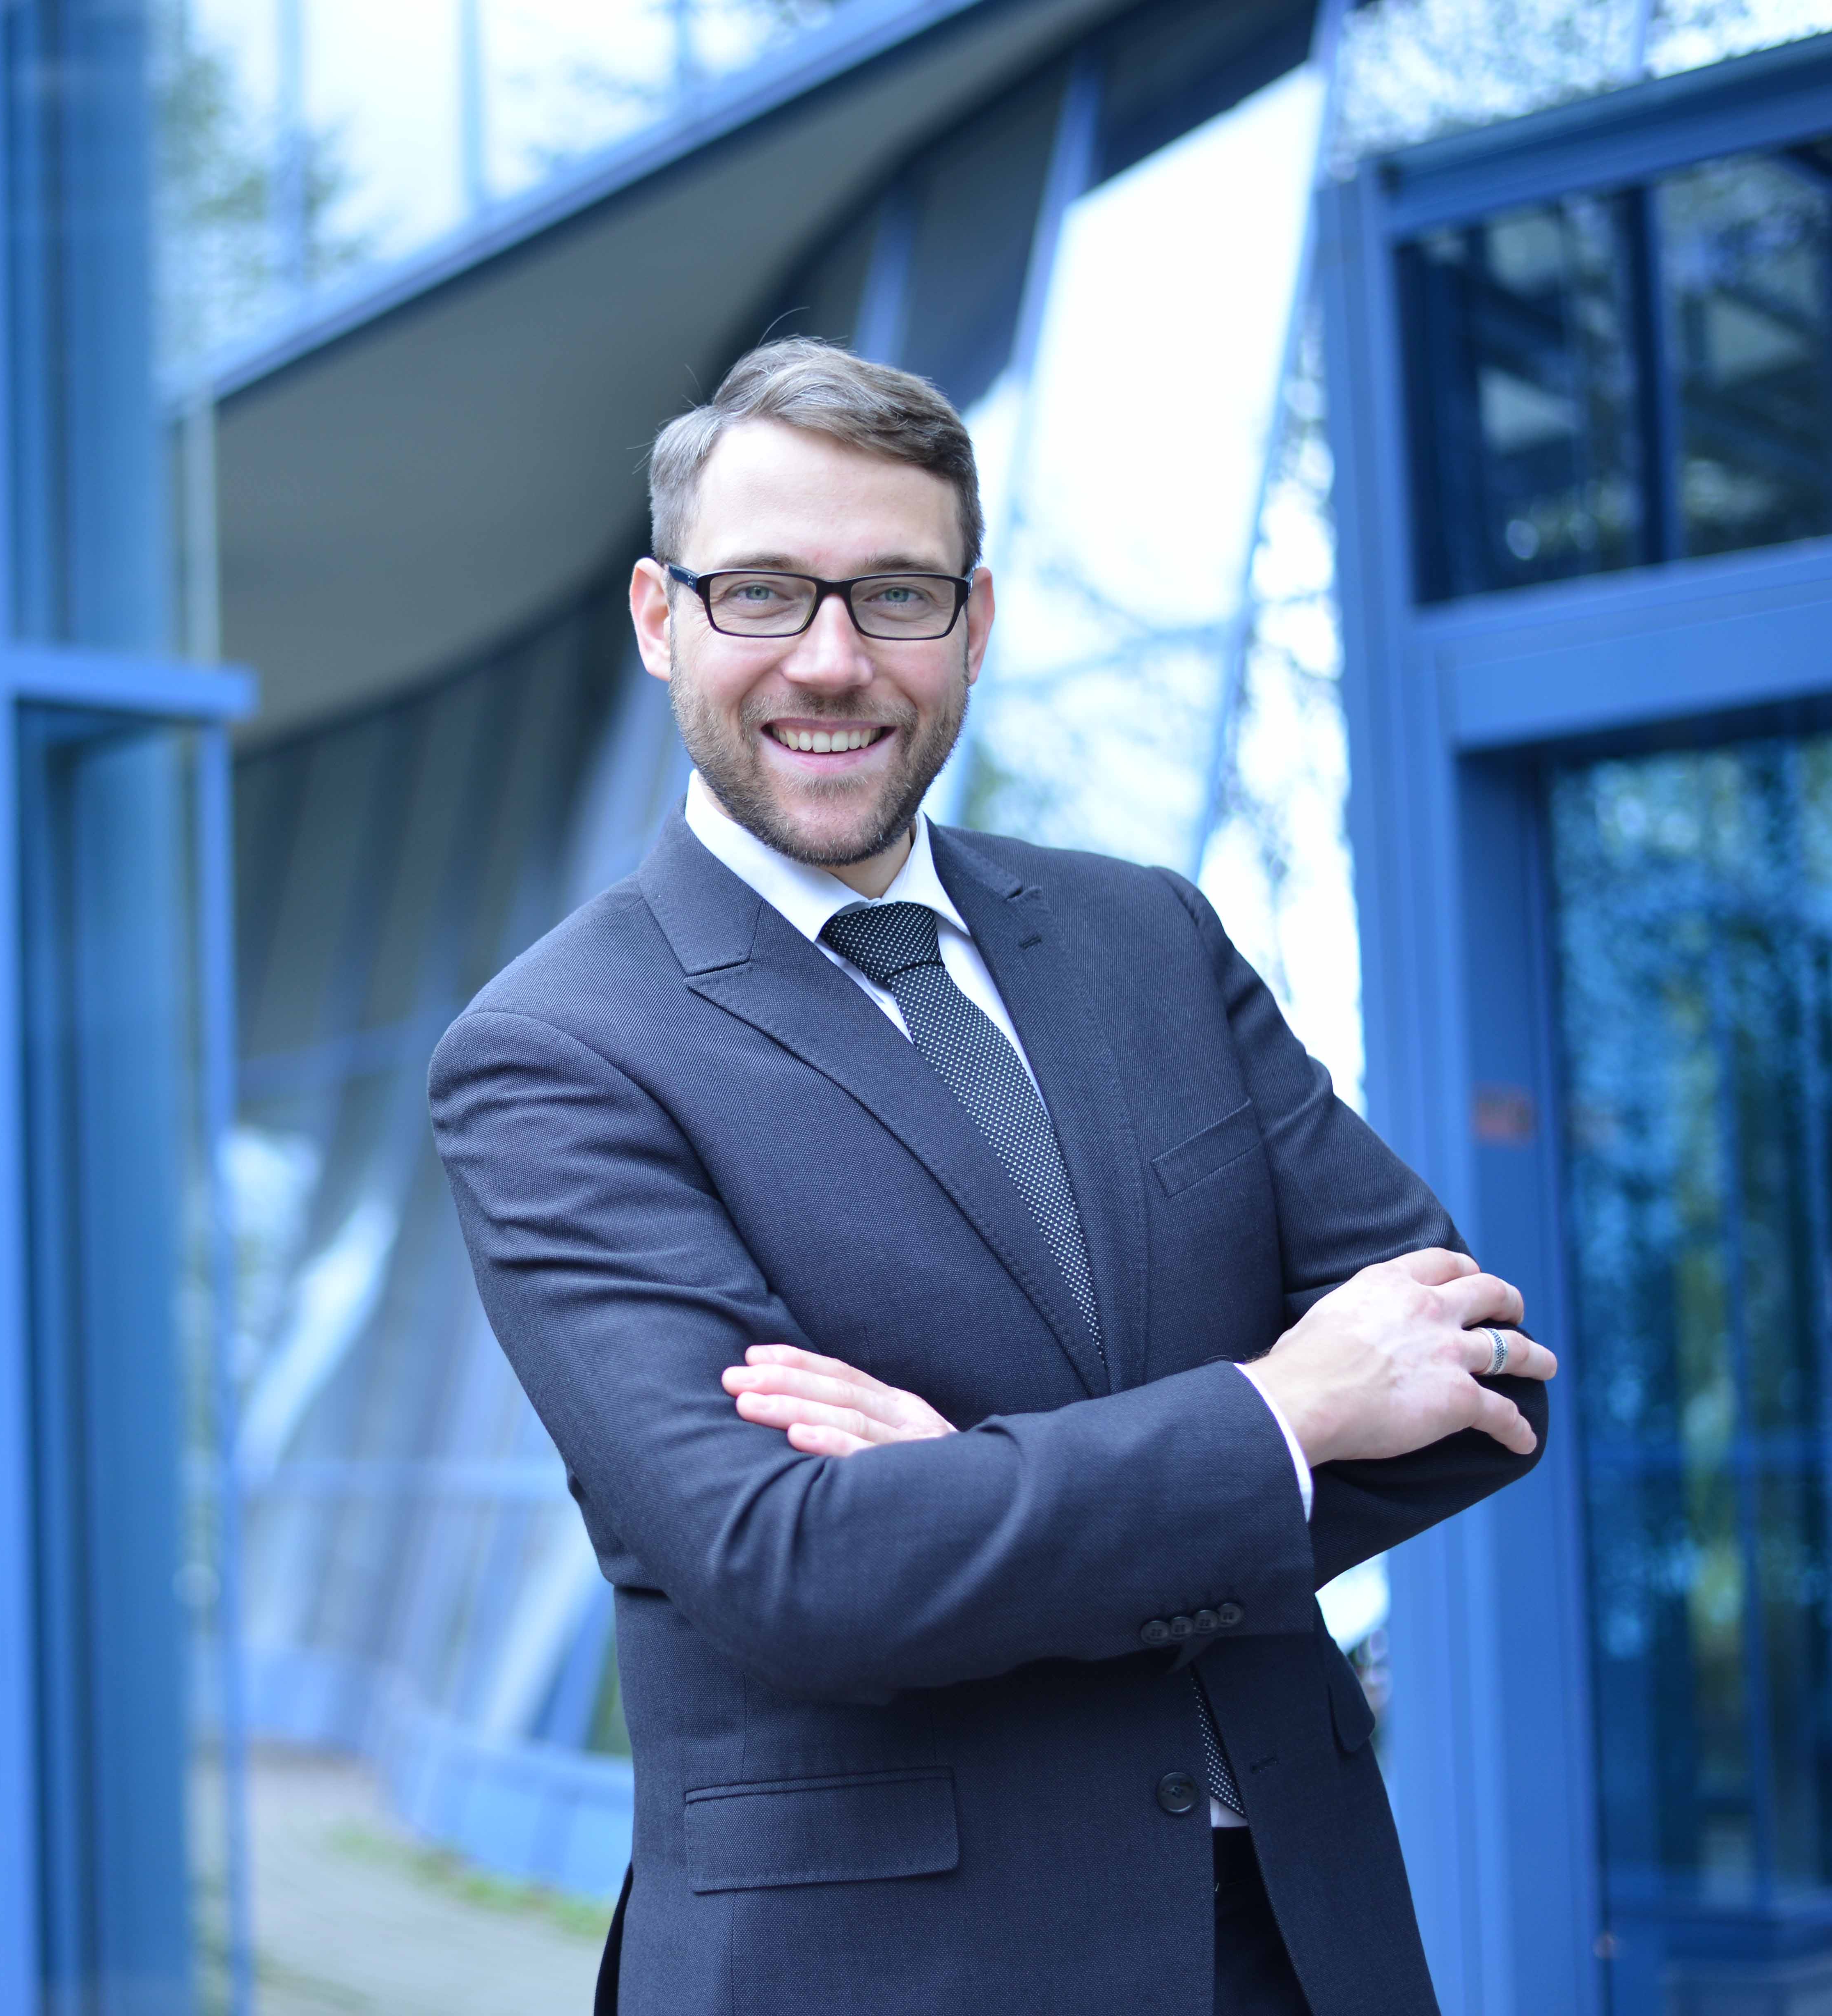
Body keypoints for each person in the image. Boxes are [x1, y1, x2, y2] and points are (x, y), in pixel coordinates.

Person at [424, 338, 1555, 2016]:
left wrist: (972, 1500)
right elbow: (798, 1568)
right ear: (662, 618)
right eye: (762, 594)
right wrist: (1280, 1414)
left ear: (974, 622)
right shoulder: (557, 1052)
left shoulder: (1147, 937)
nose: (830, 661)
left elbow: (1474, 1383)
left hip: (1296, 1947)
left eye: (895, 595)